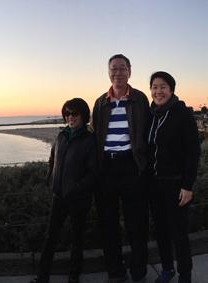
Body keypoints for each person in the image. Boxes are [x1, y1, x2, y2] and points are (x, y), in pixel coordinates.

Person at [91, 54, 151, 283]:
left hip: (131, 167)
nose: (118, 72)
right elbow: (95, 134)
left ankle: (138, 272)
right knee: (108, 224)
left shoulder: (140, 99)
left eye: (122, 68)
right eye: (114, 68)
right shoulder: (100, 102)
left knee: (137, 223)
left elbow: (149, 132)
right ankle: (115, 273)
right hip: (106, 168)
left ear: (130, 71)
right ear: (108, 72)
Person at [30, 98, 98, 283]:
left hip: (78, 199)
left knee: (77, 238)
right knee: (50, 236)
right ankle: (42, 277)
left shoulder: (89, 140)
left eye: (74, 113)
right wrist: (50, 179)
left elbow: (93, 173)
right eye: (67, 114)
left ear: (83, 115)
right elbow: (53, 158)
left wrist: (76, 189)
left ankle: (74, 276)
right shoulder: (62, 136)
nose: (70, 117)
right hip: (59, 195)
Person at [146, 71, 199, 283]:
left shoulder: (182, 114)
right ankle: (167, 269)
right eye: (154, 87)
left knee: (178, 233)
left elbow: (193, 152)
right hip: (154, 185)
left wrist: (188, 185)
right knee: (161, 231)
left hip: (176, 185)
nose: (158, 91)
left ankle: (185, 275)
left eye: (163, 87)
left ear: (171, 90)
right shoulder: (151, 114)